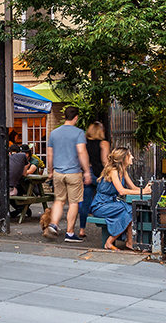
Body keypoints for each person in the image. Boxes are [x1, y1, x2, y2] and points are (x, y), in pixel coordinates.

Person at [44, 106, 92, 243]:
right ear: (76, 117)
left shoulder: (54, 133)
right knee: (74, 202)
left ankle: (53, 224)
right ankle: (70, 233)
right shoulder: (79, 133)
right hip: (74, 173)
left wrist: (50, 170)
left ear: (64, 116)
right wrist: (87, 171)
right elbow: (82, 152)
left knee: (59, 200)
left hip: (58, 173)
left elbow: (50, 154)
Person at [90, 148, 151, 251]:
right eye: (130, 155)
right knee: (132, 210)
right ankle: (110, 242)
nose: (132, 157)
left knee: (133, 210)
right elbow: (121, 191)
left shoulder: (123, 171)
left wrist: (145, 189)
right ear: (123, 158)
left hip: (111, 204)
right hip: (101, 205)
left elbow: (133, 188)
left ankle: (129, 242)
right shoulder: (113, 171)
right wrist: (143, 192)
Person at [78, 121, 110, 239]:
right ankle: (110, 226)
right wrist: (108, 175)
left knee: (86, 201)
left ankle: (82, 229)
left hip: (87, 173)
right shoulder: (104, 143)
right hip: (99, 174)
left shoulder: (84, 144)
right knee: (107, 197)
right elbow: (105, 161)